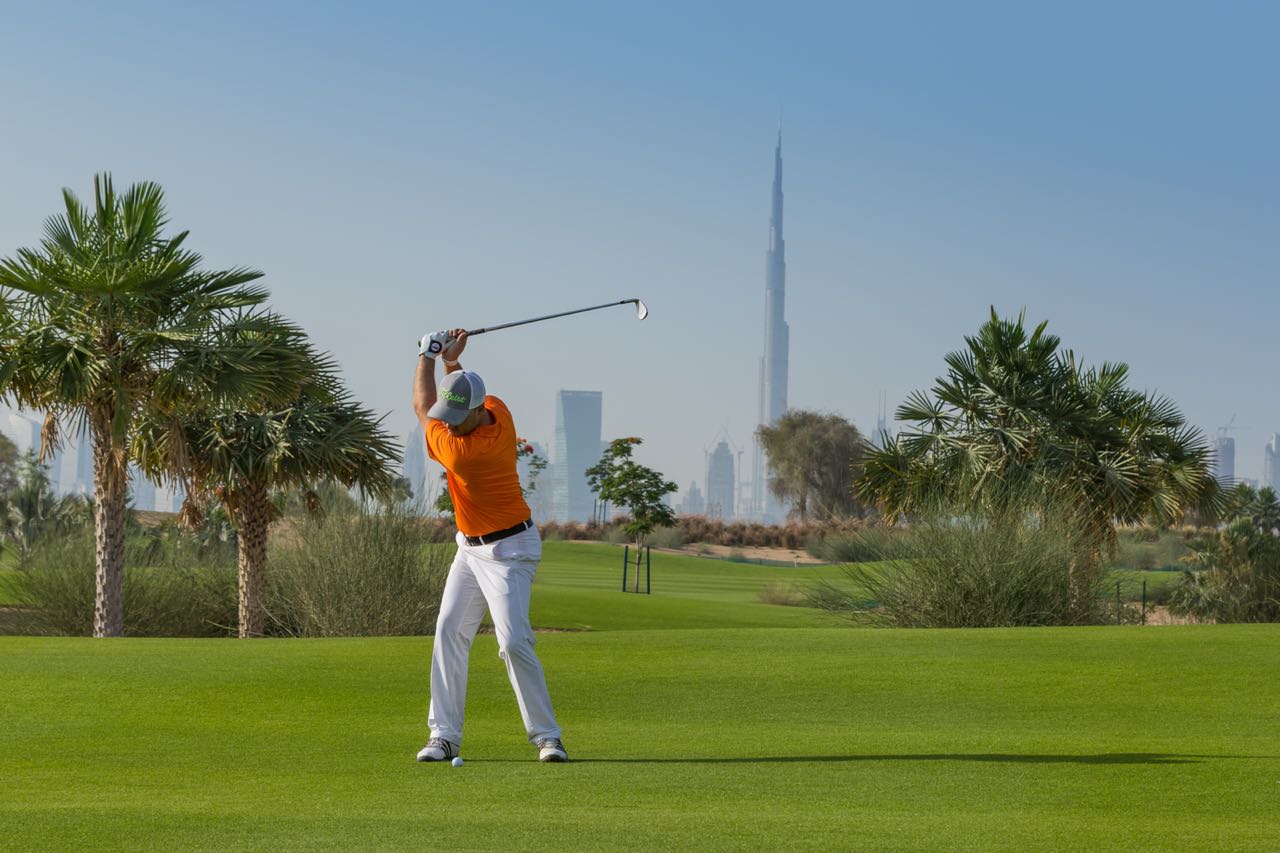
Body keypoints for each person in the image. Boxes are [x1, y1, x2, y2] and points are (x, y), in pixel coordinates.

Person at [411, 327, 567, 763]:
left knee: (513, 641)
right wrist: (452, 363)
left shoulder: (462, 452)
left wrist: (427, 354)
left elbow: (422, 406)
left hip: (511, 550)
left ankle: (548, 737)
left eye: (456, 416)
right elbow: (454, 397)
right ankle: (443, 736)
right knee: (448, 630)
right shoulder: (498, 409)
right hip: (469, 548)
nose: (448, 422)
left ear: (478, 412)